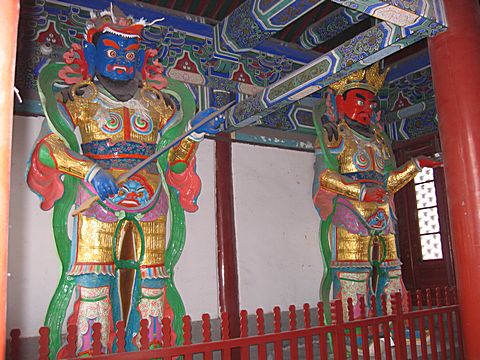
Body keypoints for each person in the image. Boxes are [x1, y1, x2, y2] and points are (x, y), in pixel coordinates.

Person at [26, 5, 224, 355]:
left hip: (151, 198)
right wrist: (90, 170)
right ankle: (92, 350)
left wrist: (194, 136)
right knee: (94, 280)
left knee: (153, 280)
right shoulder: (78, 99)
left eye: (131, 54)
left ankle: (147, 347)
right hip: (97, 197)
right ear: (92, 53)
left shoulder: (157, 103)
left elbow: (173, 162)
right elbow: (50, 148)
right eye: (113, 51)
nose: (122, 59)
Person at [312, 63, 441, 320]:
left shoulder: (380, 142)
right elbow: (325, 177)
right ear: (340, 101)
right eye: (359, 101)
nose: (367, 109)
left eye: (371, 104)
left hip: (383, 216)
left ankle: (396, 327)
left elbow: (388, 182)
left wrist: (415, 166)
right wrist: (361, 193)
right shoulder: (333, 136)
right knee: (353, 274)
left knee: (391, 273)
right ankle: (356, 336)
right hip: (350, 215)